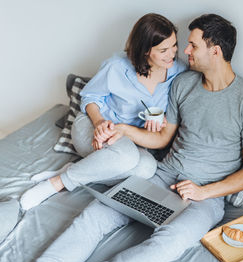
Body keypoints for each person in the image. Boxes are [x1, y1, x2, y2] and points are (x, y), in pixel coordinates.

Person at [32, 14, 243, 262]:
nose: (184, 51)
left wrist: (203, 192)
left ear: (215, 51)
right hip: (163, 176)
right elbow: (162, 138)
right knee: (96, 215)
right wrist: (122, 129)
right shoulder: (183, 83)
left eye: (193, 45)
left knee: (170, 242)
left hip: (206, 197)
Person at [20, 13, 186, 210]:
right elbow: (90, 98)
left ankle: (78, 170)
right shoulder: (117, 66)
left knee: (147, 168)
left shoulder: (179, 72)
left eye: (174, 45)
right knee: (127, 158)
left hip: (129, 139)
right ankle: (56, 183)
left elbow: (173, 110)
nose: (172, 54)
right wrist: (99, 124)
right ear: (145, 51)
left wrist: (164, 121)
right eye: (163, 50)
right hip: (93, 126)